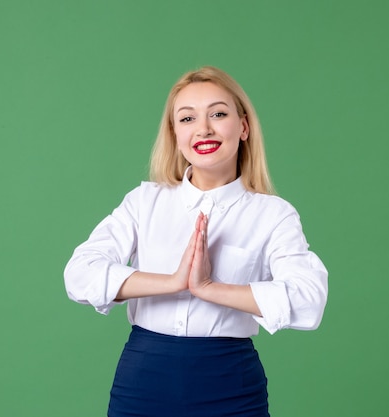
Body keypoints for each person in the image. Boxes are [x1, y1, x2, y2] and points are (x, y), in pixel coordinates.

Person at [64, 66, 328, 417]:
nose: (203, 129)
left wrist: (208, 287)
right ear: (174, 134)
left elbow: (309, 302)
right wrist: (172, 282)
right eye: (187, 119)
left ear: (244, 126)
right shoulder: (144, 202)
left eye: (218, 114)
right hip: (143, 382)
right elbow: (80, 274)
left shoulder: (273, 215)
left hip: (231, 385)